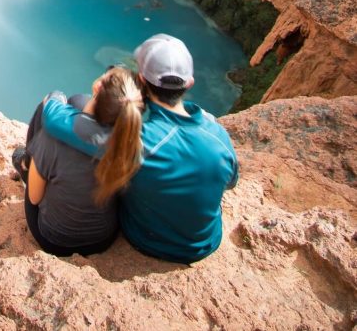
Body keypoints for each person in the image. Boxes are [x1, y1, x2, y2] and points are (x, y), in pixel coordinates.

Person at [41, 34, 239, 264]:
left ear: (142, 81)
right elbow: (231, 182)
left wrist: (55, 98)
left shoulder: (136, 142)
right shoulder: (218, 135)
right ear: (189, 83)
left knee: (81, 103)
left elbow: (54, 119)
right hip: (206, 243)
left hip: (147, 240)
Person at [12, 66, 144, 257]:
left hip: (54, 240)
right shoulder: (131, 144)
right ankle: (35, 163)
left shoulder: (51, 139)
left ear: (98, 87)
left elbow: (34, 198)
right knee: (77, 100)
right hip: (102, 239)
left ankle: (27, 164)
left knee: (45, 111)